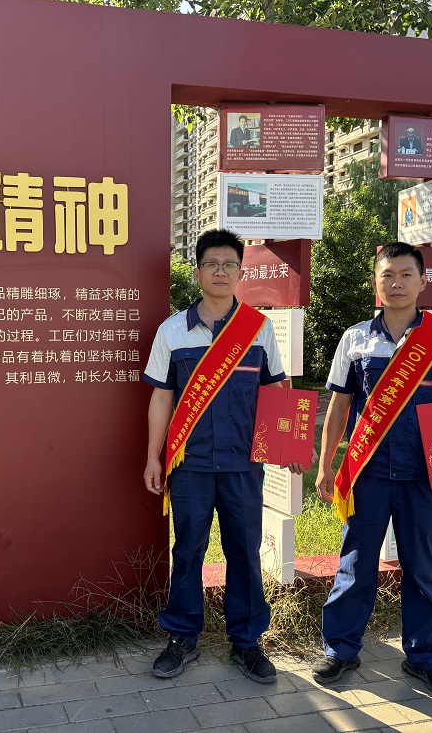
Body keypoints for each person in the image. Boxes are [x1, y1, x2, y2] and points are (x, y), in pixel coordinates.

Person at [311, 241, 432, 700]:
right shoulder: (355, 339)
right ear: (376, 283)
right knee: (355, 563)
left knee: (422, 568)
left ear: (422, 281)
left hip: (424, 474)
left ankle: (424, 658)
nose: (397, 283)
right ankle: (341, 649)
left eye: (406, 274)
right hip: (368, 472)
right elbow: (340, 406)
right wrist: (326, 465)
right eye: (388, 275)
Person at [143, 229, 307, 685]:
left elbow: (276, 391)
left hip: (242, 465)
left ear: (240, 272)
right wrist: (154, 457)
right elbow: (161, 397)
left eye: (229, 265)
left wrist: (292, 446)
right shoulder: (172, 331)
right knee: (188, 550)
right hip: (190, 465)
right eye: (212, 264)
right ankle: (182, 637)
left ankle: (247, 642)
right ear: (197, 272)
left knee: (244, 552)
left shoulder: (258, 329)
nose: (220, 272)